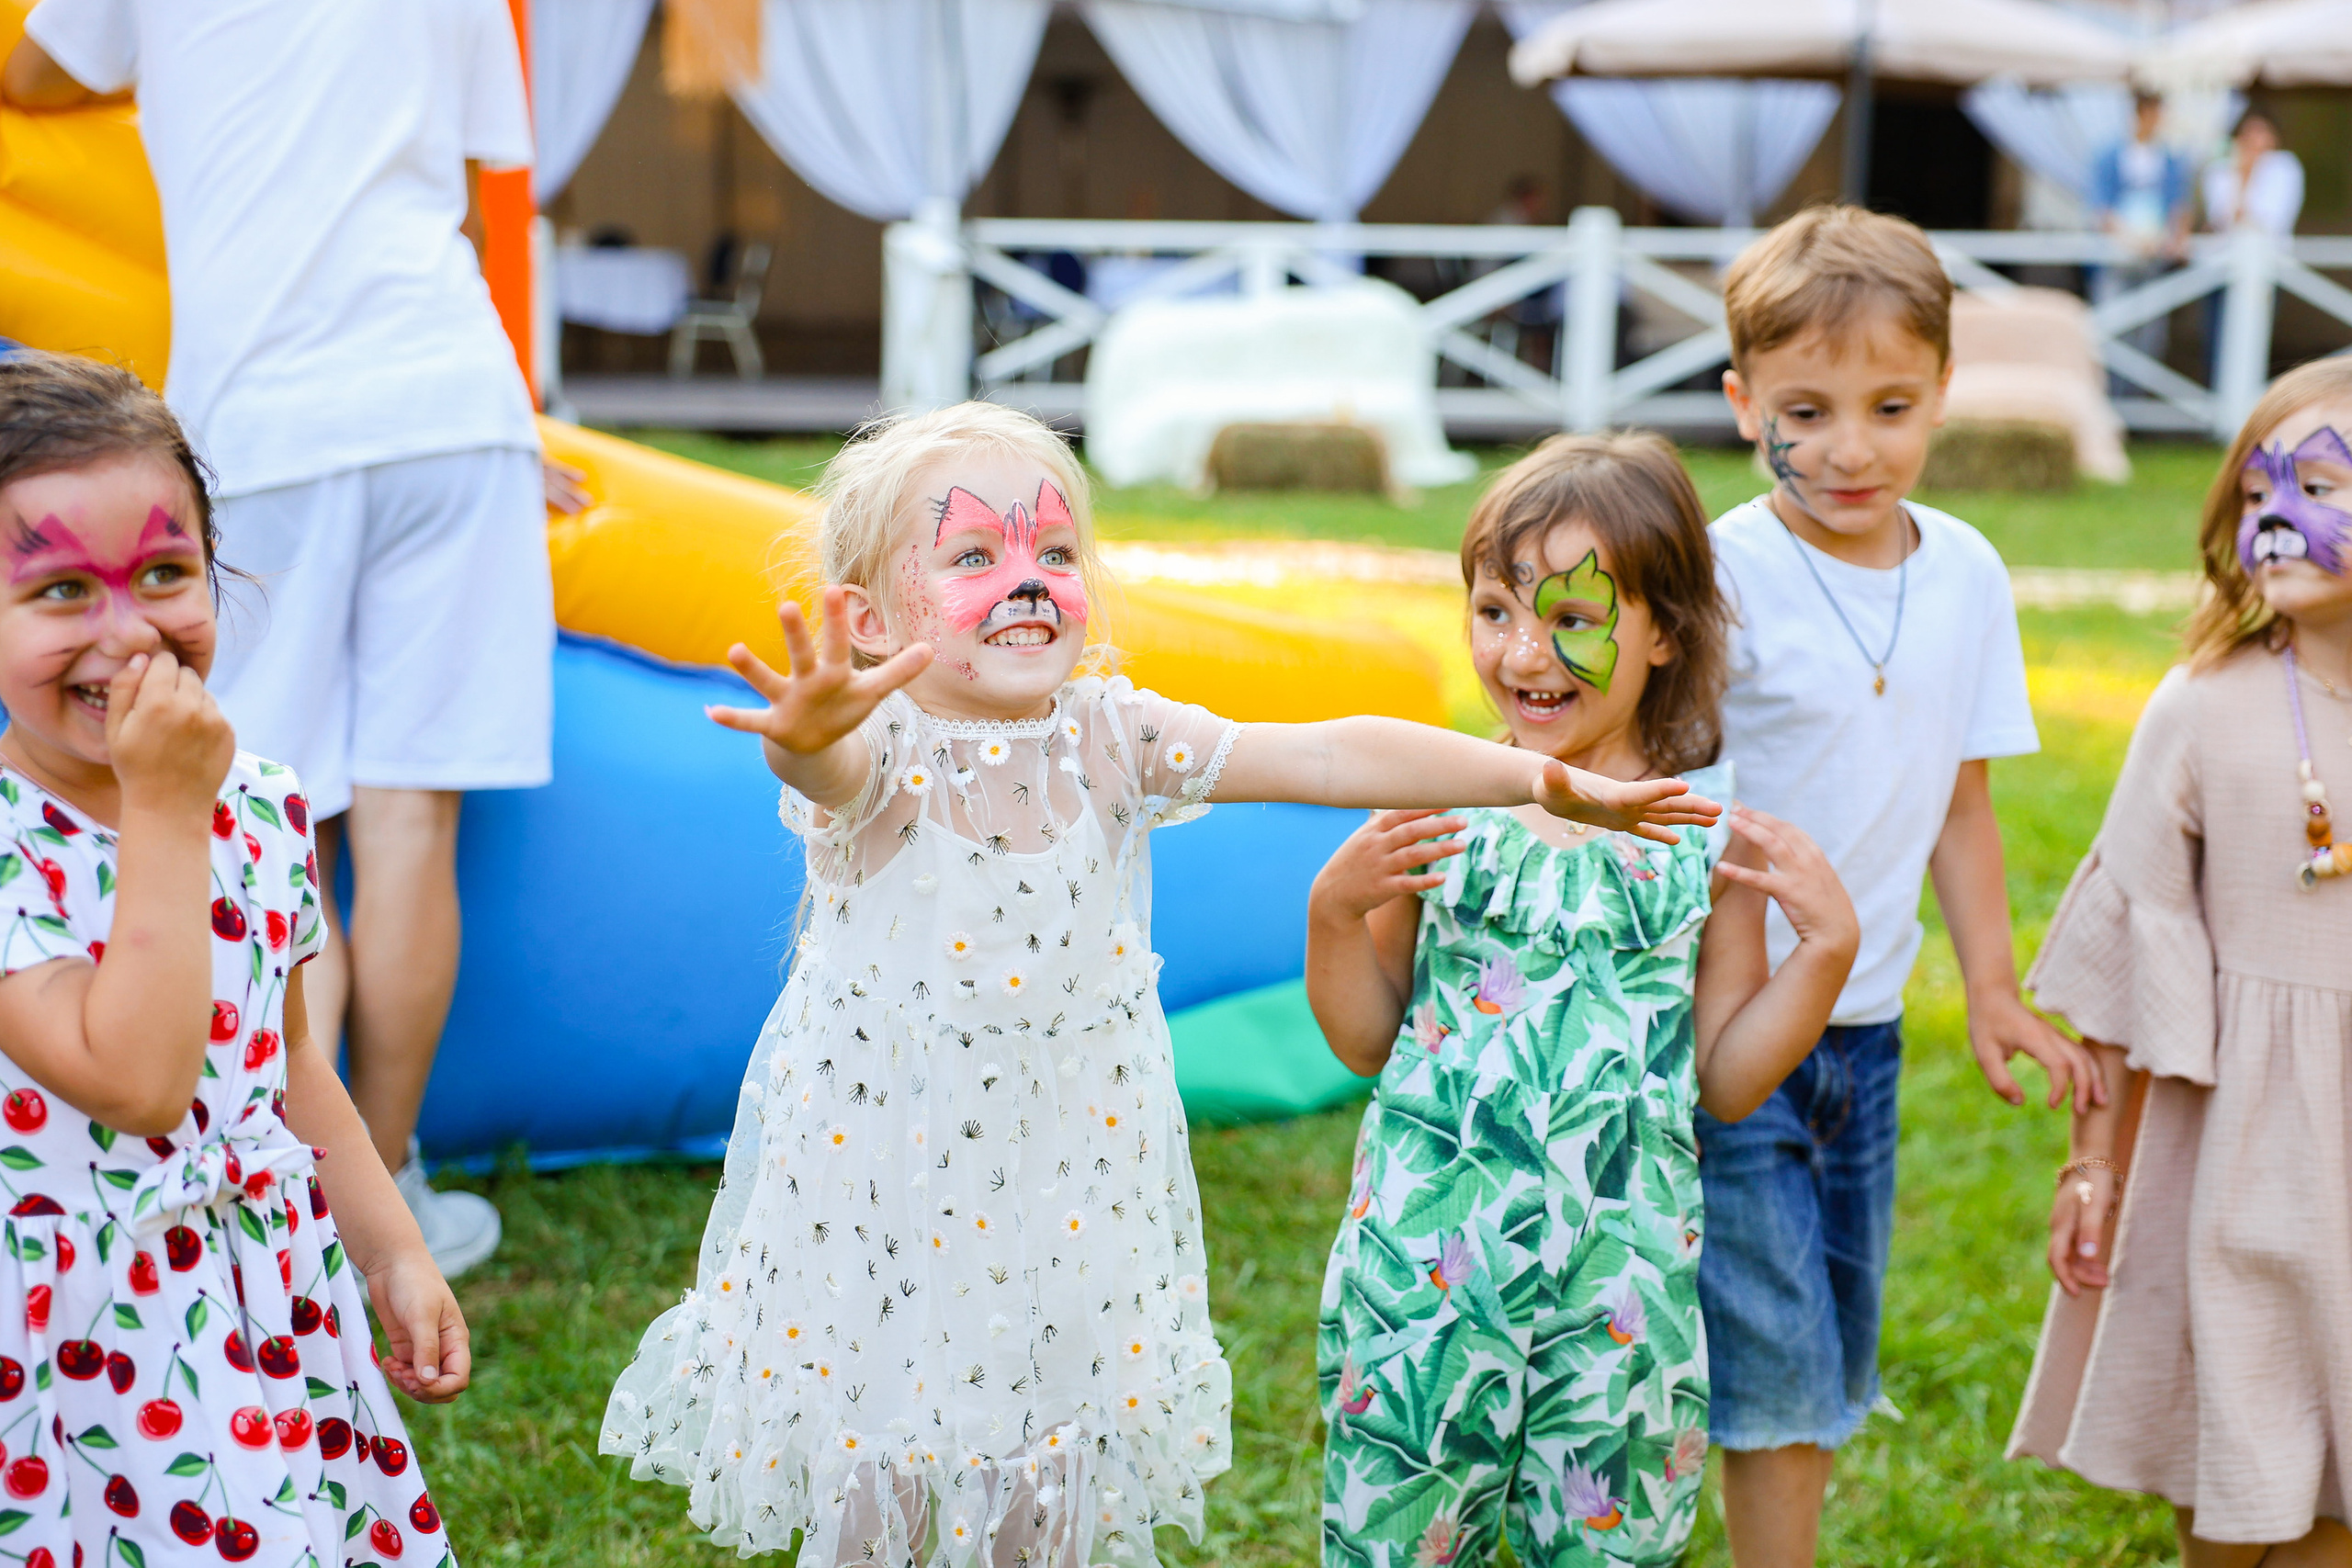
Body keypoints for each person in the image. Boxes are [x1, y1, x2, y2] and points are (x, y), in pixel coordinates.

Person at [595, 402, 1721, 1566]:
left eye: (1054, 552)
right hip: (893, 1188)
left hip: (1068, 1182)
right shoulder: (883, 756)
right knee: (890, 1461)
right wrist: (808, 733)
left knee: (1048, 1450)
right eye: (975, 556)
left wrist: (1535, 778)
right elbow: (821, 767)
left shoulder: (1111, 736)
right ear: (874, 620)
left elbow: (1329, 752)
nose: (1025, 581)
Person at [2, 0, 557, 1277]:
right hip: (454, 397)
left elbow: (32, 75)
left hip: (267, 409)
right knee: (414, 823)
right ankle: (396, 1186)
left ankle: (293, 1191)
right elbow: (473, 210)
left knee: (269, 814)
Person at [1306, 434, 1858, 1566]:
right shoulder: (1447, 808)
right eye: (1495, 611)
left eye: (1572, 616)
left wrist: (1827, 952)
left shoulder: (1701, 842)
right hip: (1428, 1274)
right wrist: (1331, 912)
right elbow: (1365, 1039)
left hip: (1620, 1286)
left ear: (1663, 630)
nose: (1525, 653)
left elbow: (1729, 1079)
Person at [0, 349, 469, 1563]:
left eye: (165, 572)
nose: (129, 630)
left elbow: (287, 1061)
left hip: (266, 1303)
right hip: (78, 1338)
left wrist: (393, 1248)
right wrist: (163, 804)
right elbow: (139, 1079)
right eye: (60, 592)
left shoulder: (257, 803)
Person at [1703, 205, 2102, 1568]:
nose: (1851, 446)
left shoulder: (1969, 573)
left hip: (1864, 1034)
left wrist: (1990, 984)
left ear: (1943, 393)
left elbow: (1964, 796)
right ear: (1741, 399)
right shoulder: (1719, 571)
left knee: (1833, 1322)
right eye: (1805, 410)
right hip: (1732, 1024)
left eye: (1890, 404)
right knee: (1777, 1355)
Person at [2009, 355, 2352, 1568]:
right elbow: (2126, 942)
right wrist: (2092, 1169)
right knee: (2235, 1456)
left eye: (2317, 482)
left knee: (2336, 1489)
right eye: (2258, 485)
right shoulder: (2202, 706)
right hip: (2235, 1139)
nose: (2276, 514)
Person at [2088, 91, 2193, 376]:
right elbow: (2101, 209)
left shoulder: (2171, 158)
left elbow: (2179, 205)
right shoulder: (2111, 155)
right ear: (2139, 114)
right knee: (2110, 332)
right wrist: (2131, 239)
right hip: (2118, 257)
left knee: (2150, 337)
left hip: (2154, 256)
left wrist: (2176, 239)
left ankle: (2137, 405)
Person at [2203, 107, 2305, 242]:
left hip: (2269, 249)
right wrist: (2242, 172)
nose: (2252, 138)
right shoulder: (2219, 169)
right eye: (2247, 132)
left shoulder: (2284, 166)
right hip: (2225, 250)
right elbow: (2218, 220)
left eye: (2259, 132)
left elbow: (2273, 221)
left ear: (2273, 137)